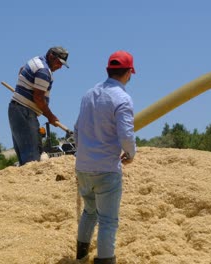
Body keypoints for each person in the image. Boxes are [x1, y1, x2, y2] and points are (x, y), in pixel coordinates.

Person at [74, 50, 137, 264]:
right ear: (129, 72)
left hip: (83, 167)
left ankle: (81, 258)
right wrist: (130, 154)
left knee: (89, 212)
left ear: (108, 71)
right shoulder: (122, 98)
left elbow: (77, 129)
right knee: (108, 221)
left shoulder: (88, 94)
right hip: (106, 169)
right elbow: (126, 135)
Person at [8, 46, 69, 166]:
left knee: (25, 156)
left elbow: (22, 70)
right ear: (51, 56)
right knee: (32, 159)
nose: (60, 66)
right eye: (59, 62)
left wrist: (24, 86)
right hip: (25, 112)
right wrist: (50, 116)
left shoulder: (36, 60)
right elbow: (38, 98)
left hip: (16, 109)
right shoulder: (44, 71)